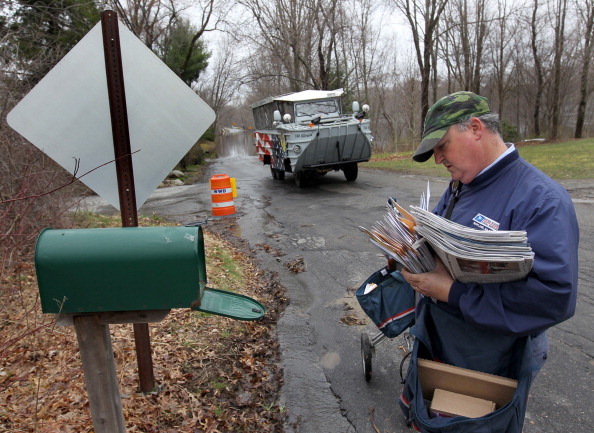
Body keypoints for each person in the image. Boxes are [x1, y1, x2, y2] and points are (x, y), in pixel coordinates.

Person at [400, 91, 579, 380]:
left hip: (495, 360)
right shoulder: (463, 182)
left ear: (475, 128)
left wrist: (451, 292)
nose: (438, 159)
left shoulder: (542, 200)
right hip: (443, 340)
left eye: (442, 146)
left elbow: (553, 298)